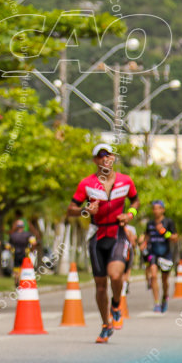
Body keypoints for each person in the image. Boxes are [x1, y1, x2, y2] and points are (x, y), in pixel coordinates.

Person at [67, 143, 138, 343]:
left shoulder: (125, 181)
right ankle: (106, 325)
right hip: (97, 236)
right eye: (100, 156)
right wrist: (86, 211)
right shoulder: (86, 184)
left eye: (108, 155)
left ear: (113, 158)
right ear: (95, 160)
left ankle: (116, 304)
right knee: (99, 286)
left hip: (117, 234)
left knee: (116, 275)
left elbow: (135, 202)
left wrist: (129, 215)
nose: (105, 159)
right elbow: (71, 209)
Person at [143, 199, 176, 314]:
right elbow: (147, 236)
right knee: (153, 276)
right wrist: (143, 243)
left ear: (163, 210)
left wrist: (163, 231)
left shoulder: (168, 222)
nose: (156, 211)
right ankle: (156, 302)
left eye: (158, 208)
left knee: (164, 280)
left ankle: (165, 296)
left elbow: (175, 237)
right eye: (154, 208)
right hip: (153, 253)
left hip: (165, 253)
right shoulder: (150, 224)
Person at [7, 220, 36, 287]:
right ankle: (21, 280)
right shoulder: (27, 234)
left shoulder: (13, 235)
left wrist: (11, 250)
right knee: (23, 268)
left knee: (16, 268)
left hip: (16, 254)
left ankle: (17, 279)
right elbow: (34, 243)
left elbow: (8, 246)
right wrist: (32, 250)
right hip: (24, 253)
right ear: (23, 227)